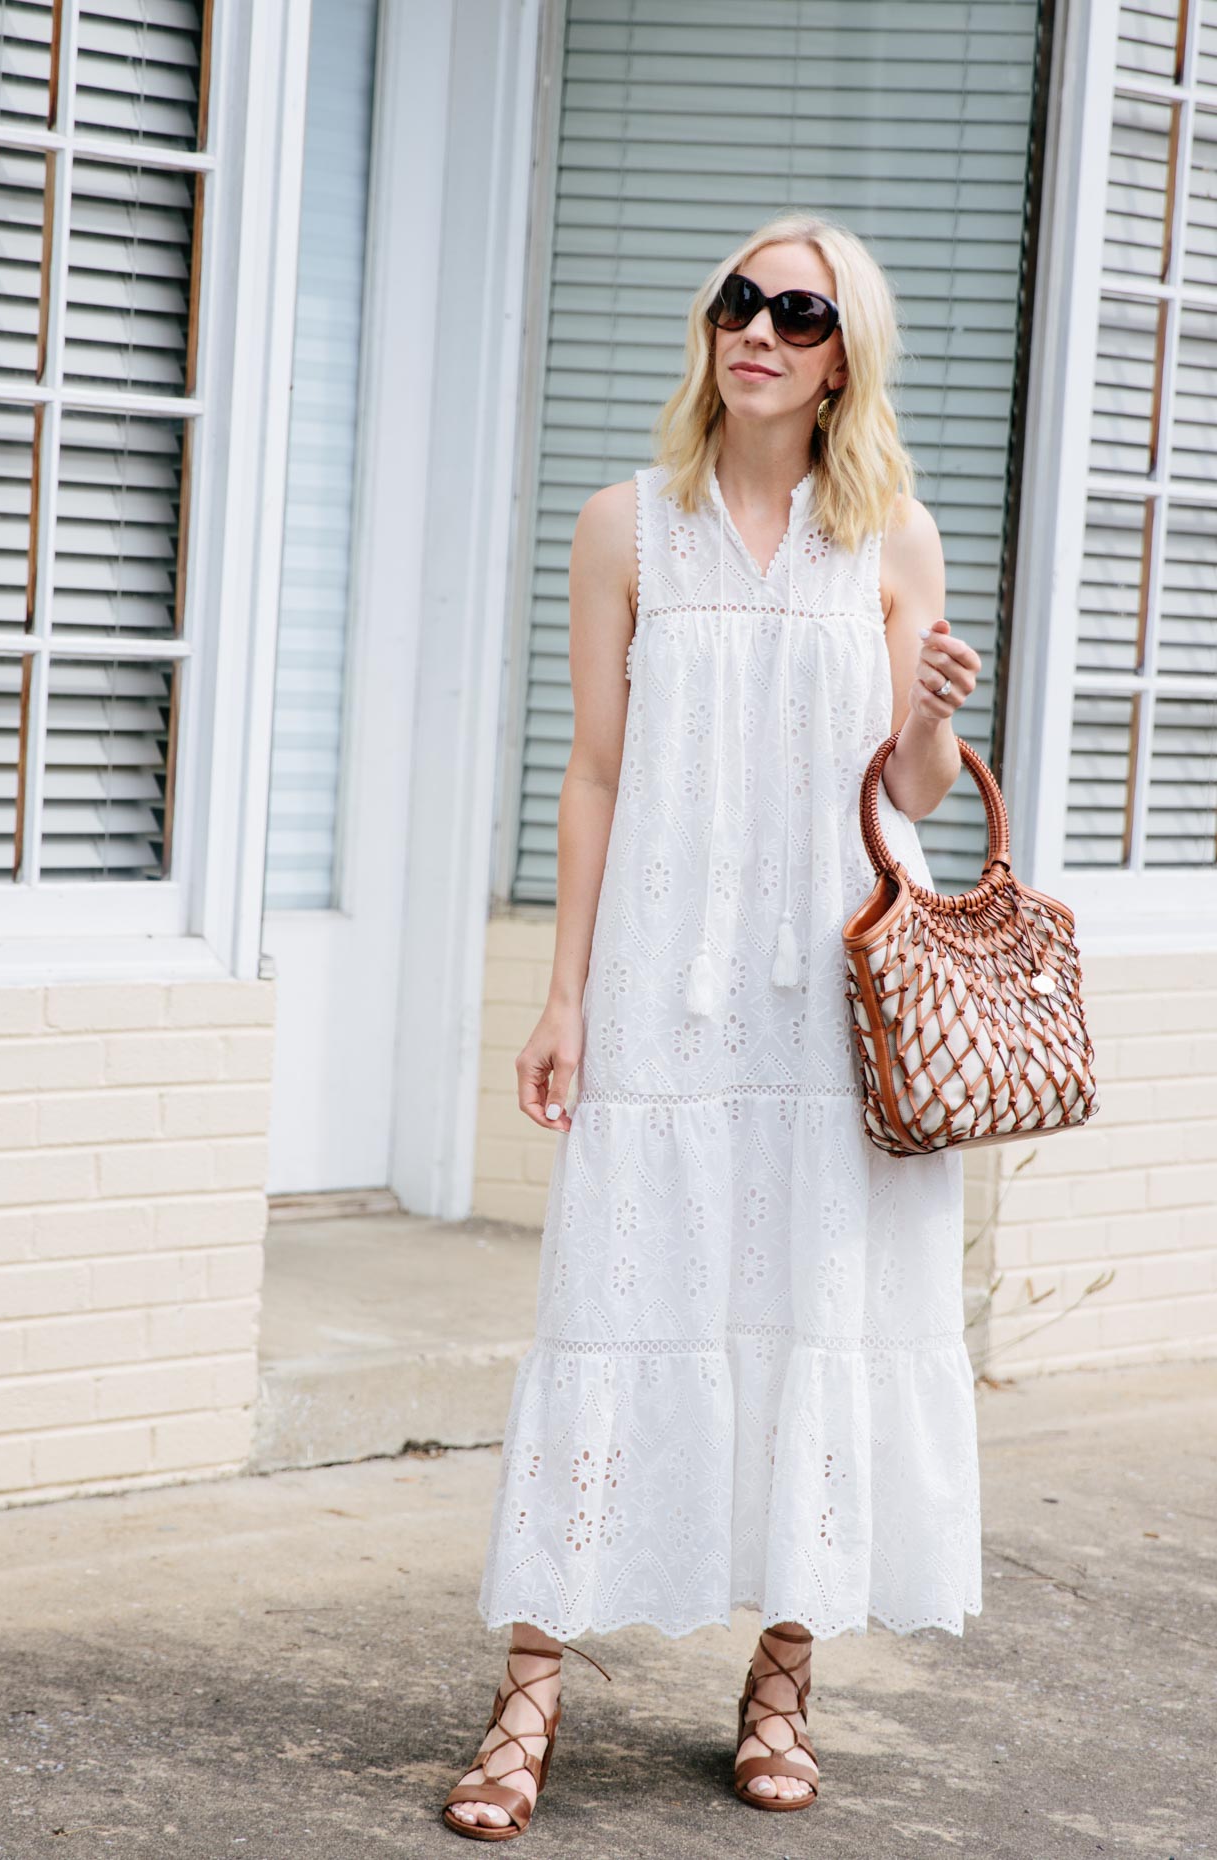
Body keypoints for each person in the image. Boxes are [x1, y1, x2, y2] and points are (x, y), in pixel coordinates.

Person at [442, 209, 984, 1840]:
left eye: (799, 312)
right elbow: (596, 772)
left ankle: (780, 1687)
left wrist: (942, 720)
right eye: (740, 300)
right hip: (666, 998)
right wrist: (561, 995)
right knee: (618, 1310)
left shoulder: (891, 538)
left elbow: (907, 796)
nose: (758, 328)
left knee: (817, 1312)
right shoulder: (628, 527)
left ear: (843, 359)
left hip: (829, 1002)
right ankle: (531, 1692)